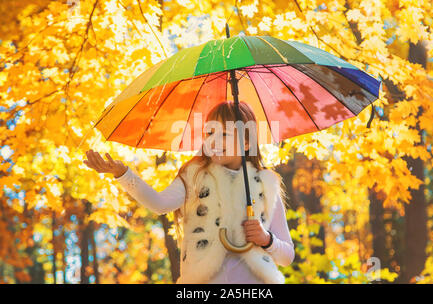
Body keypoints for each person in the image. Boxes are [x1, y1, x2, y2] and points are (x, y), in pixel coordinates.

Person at [83, 101, 295, 284]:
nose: (214, 141)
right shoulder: (194, 175)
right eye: (210, 132)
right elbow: (159, 204)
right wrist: (123, 173)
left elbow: (287, 256)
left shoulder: (265, 185)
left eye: (224, 134)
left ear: (246, 141)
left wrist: (266, 239)